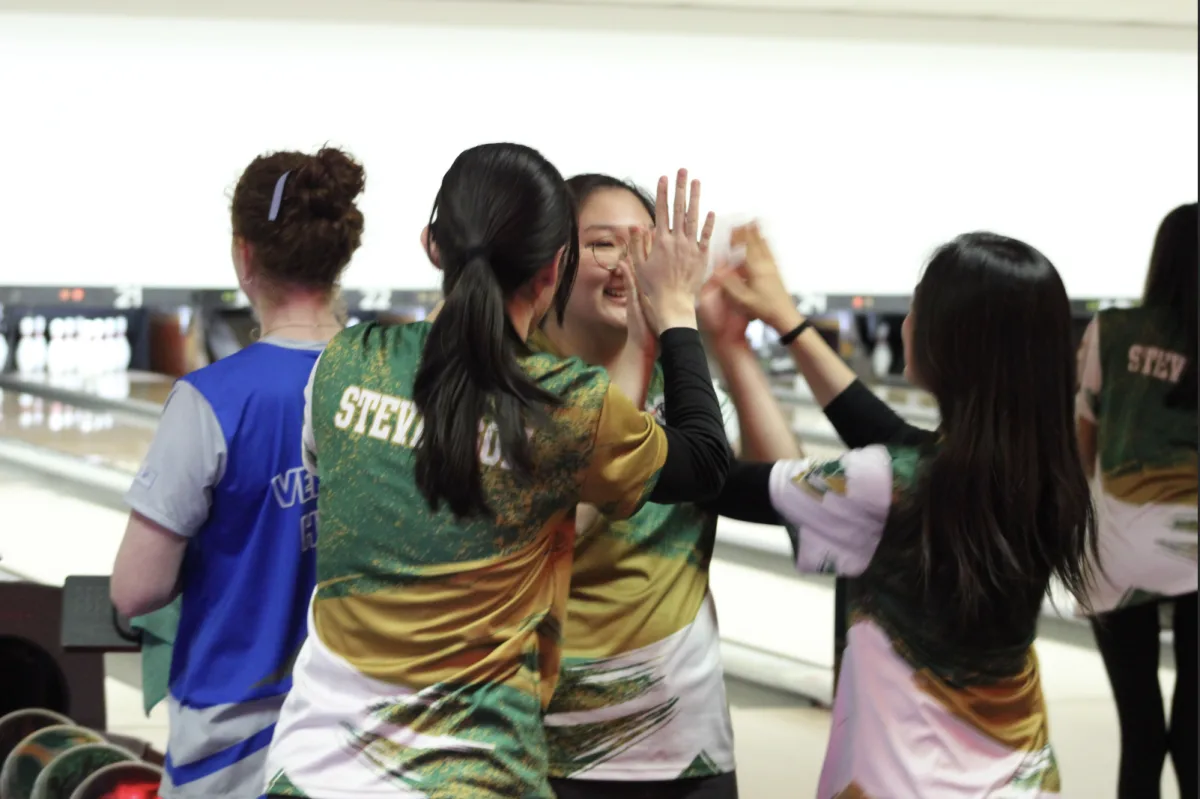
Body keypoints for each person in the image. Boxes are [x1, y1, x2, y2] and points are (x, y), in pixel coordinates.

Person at [260, 146, 732, 799]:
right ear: (555, 269)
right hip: (479, 778)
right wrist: (676, 309)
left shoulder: (345, 362)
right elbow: (705, 463)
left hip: (313, 774)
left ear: (432, 245)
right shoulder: (561, 407)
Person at [707, 224, 1097, 797]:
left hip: (899, 782)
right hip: (1021, 775)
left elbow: (710, 480)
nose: (909, 321)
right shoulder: (1046, 472)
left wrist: (678, 328)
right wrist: (786, 321)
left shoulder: (884, 484)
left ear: (950, 343)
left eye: (919, 307)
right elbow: (891, 436)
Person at [110, 146, 367, 798]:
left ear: (243, 254)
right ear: (339, 258)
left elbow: (134, 591)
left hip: (229, 742)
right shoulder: (387, 386)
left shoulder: (210, 401)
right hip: (354, 731)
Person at [532, 175, 792, 799]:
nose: (631, 268)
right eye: (604, 245)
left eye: (644, 247)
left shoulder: (681, 392)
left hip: (688, 747)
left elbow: (792, 490)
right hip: (553, 746)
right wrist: (648, 344)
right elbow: (573, 521)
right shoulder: (526, 385)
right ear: (555, 262)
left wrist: (730, 348)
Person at [1075, 202, 1197, 799]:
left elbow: (1085, 443)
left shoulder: (1111, 330)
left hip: (1118, 555)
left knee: (1141, 734)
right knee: (1197, 737)